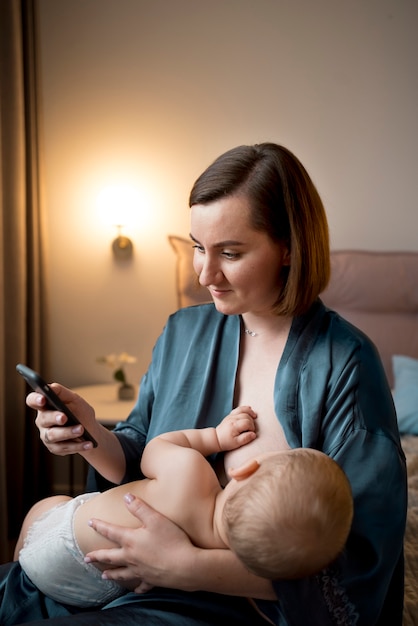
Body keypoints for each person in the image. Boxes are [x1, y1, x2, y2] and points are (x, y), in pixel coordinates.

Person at [0, 142, 406, 626]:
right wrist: (90, 435)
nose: (205, 274)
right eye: (198, 247)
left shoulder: (346, 365)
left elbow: (358, 565)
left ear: (289, 249)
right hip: (105, 573)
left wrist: (189, 567)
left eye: (230, 253)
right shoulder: (184, 332)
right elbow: (136, 461)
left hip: (226, 604)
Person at [13, 408, 353, 610]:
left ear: (244, 469)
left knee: (48, 507)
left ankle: (16, 580)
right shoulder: (218, 551)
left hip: (59, 547)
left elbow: (155, 449)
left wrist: (215, 438)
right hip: (101, 588)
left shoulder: (191, 475)